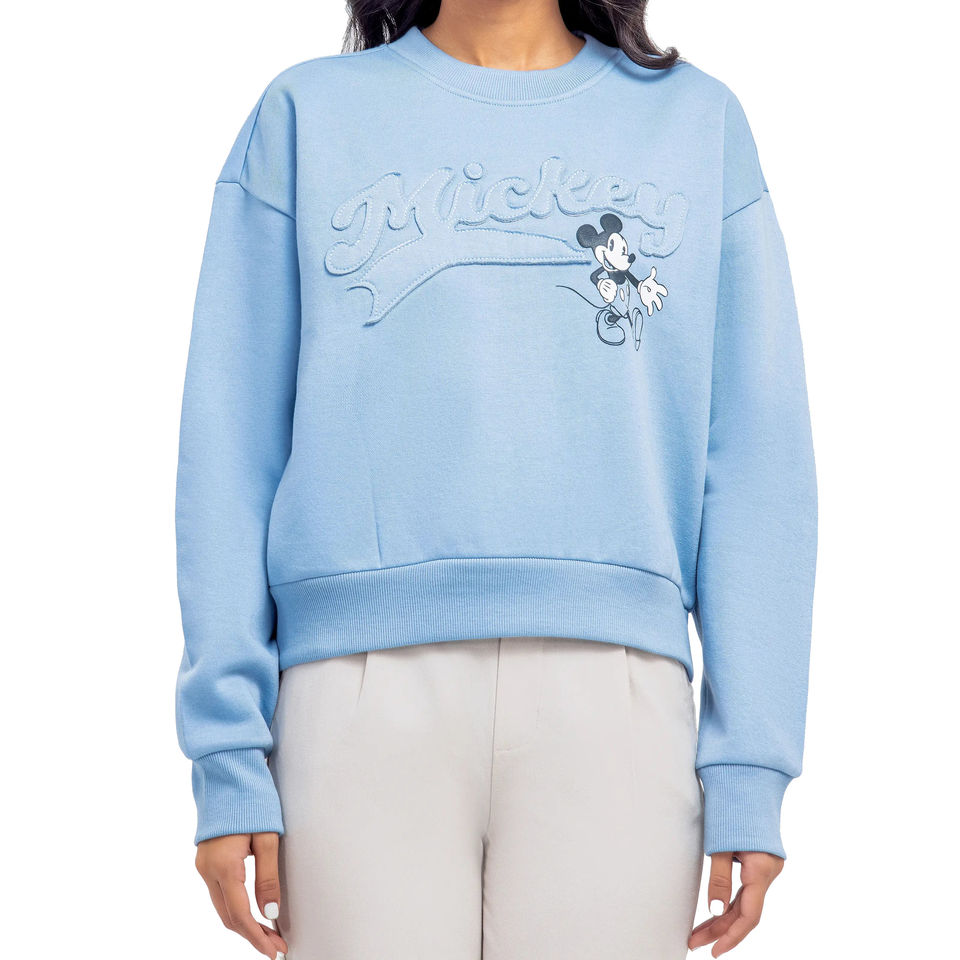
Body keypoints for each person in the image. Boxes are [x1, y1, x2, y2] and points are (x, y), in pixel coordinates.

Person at [173, 1, 818, 957]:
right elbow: (230, 450)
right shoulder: (307, 115)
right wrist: (228, 755)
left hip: (618, 699)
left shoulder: (696, 123)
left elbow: (758, 460)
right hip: (352, 695)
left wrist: (751, 765)